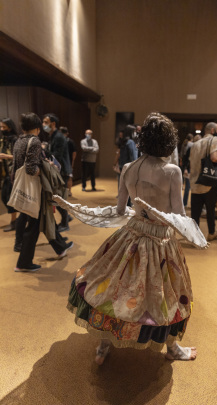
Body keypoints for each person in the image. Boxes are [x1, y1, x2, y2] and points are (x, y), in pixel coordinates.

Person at [65, 112, 198, 365]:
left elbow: (118, 209)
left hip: (130, 236)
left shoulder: (128, 168)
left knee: (114, 290)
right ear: (168, 141)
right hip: (160, 241)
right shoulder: (172, 171)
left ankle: (104, 344)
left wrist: (137, 212)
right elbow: (178, 215)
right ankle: (172, 348)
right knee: (165, 295)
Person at [13, 113, 73, 272]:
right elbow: (31, 169)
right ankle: (24, 263)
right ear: (37, 127)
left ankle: (60, 247)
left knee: (41, 219)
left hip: (25, 188)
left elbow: (16, 166)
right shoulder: (35, 141)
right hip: (35, 189)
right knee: (35, 224)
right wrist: (47, 169)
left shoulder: (18, 141)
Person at [189, 122, 217, 241]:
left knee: (195, 213)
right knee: (210, 210)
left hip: (195, 182)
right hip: (208, 182)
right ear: (213, 131)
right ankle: (211, 233)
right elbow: (214, 158)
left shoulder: (195, 143)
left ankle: (195, 237)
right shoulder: (213, 140)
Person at [43, 114, 72, 232]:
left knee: (59, 199)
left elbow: (57, 156)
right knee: (58, 198)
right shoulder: (53, 136)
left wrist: (44, 149)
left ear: (53, 124)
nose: (44, 124)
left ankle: (65, 224)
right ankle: (67, 218)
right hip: (59, 170)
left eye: (46, 122)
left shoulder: (58, 137)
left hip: (62, 171)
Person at [0, 118, 18, 231]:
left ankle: (14, 221)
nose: (1, 129)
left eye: (4, 127)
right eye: (0, 127)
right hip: (5, 173)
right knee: (4, 197)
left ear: (10, 128)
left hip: (13, 174)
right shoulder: (3, 139)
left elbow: (20, 156)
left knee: (10, 198)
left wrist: (6, 157)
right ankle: (16, 220)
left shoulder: (15, 140)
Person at [60, 126, 77, 196]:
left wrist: (72, 163)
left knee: (69, 177)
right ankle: (65, 191)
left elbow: (74, 153)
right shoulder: (60, 141)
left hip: (67, 162)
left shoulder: (70, 142)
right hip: (63, 162)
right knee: (64, 177)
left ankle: (68, 191)